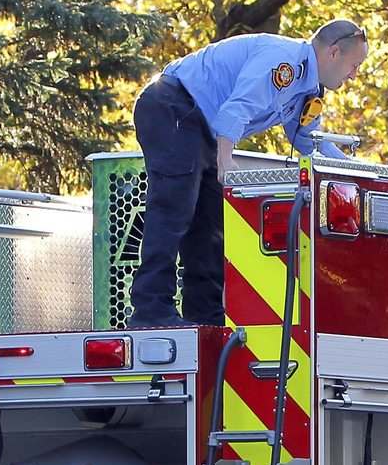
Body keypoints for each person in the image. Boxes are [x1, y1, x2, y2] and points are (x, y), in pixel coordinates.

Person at [127, 19, 370, 329]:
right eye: (354, 65)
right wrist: (225, 161)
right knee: (174, 208)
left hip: (201, 125)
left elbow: (307, 140)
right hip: (174, 106)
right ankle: (150, 309)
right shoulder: (286, 63)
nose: (354, 75)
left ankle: (206, 318)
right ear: (334, 52)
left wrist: (353, 169)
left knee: (212, 226)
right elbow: (238, 107)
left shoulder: (308, 87)